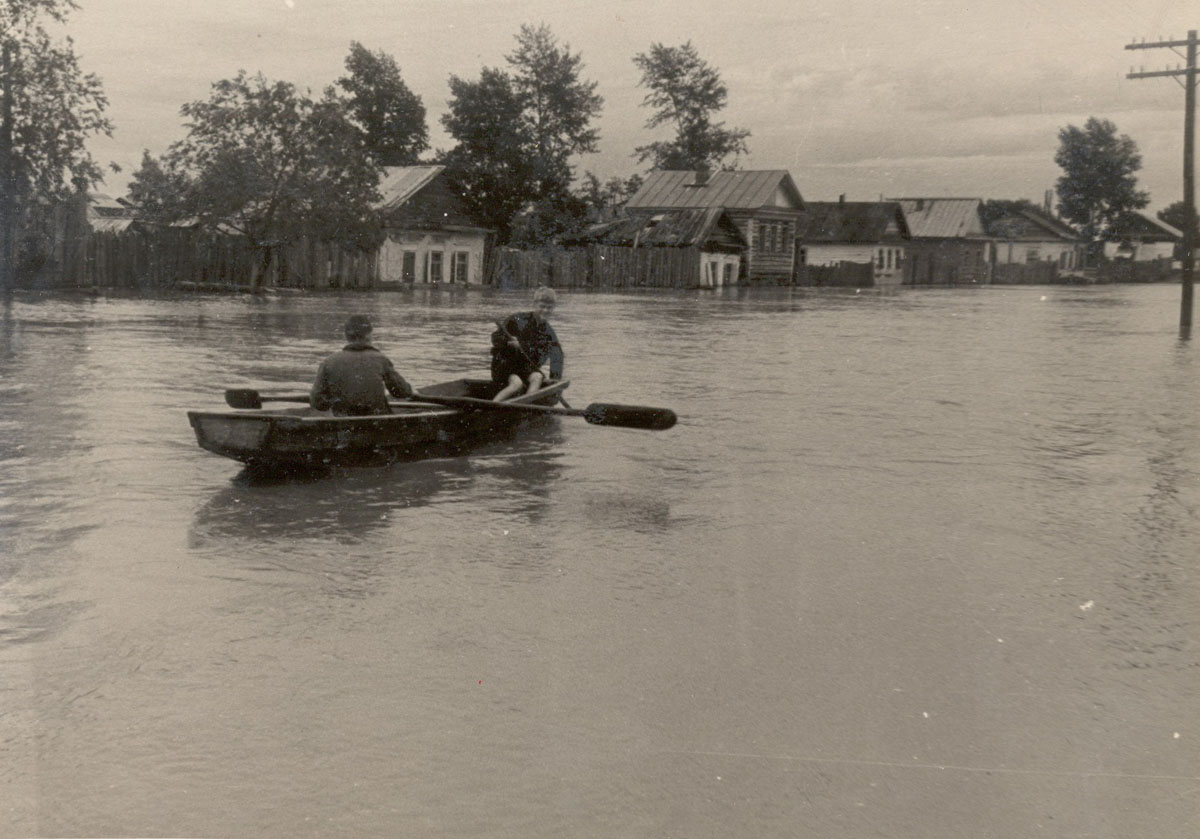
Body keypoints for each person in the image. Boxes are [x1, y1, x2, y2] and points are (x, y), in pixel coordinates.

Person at [310, 314, 413, 416]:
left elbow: (317, 402)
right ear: (369, 335)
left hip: (344, 424)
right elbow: (401, 392)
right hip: (377, 423)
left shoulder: (328, 362)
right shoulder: (381, 359)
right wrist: (411, 391)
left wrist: (334, 400)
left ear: (345, 335)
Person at [491, 286, 564, 401]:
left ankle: (526, 406)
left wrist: (555, 380)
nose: (545, 310)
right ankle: (492, 406)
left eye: (549, 308)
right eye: (542, 306)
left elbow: (557, 355)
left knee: (538, 376)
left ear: (553, 308)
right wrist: (508, 343)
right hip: (504, 366)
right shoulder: (517, 319)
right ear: (534, 305)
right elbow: (496, 338)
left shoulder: (548, 332)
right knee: (517, 384)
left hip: (525, 368)